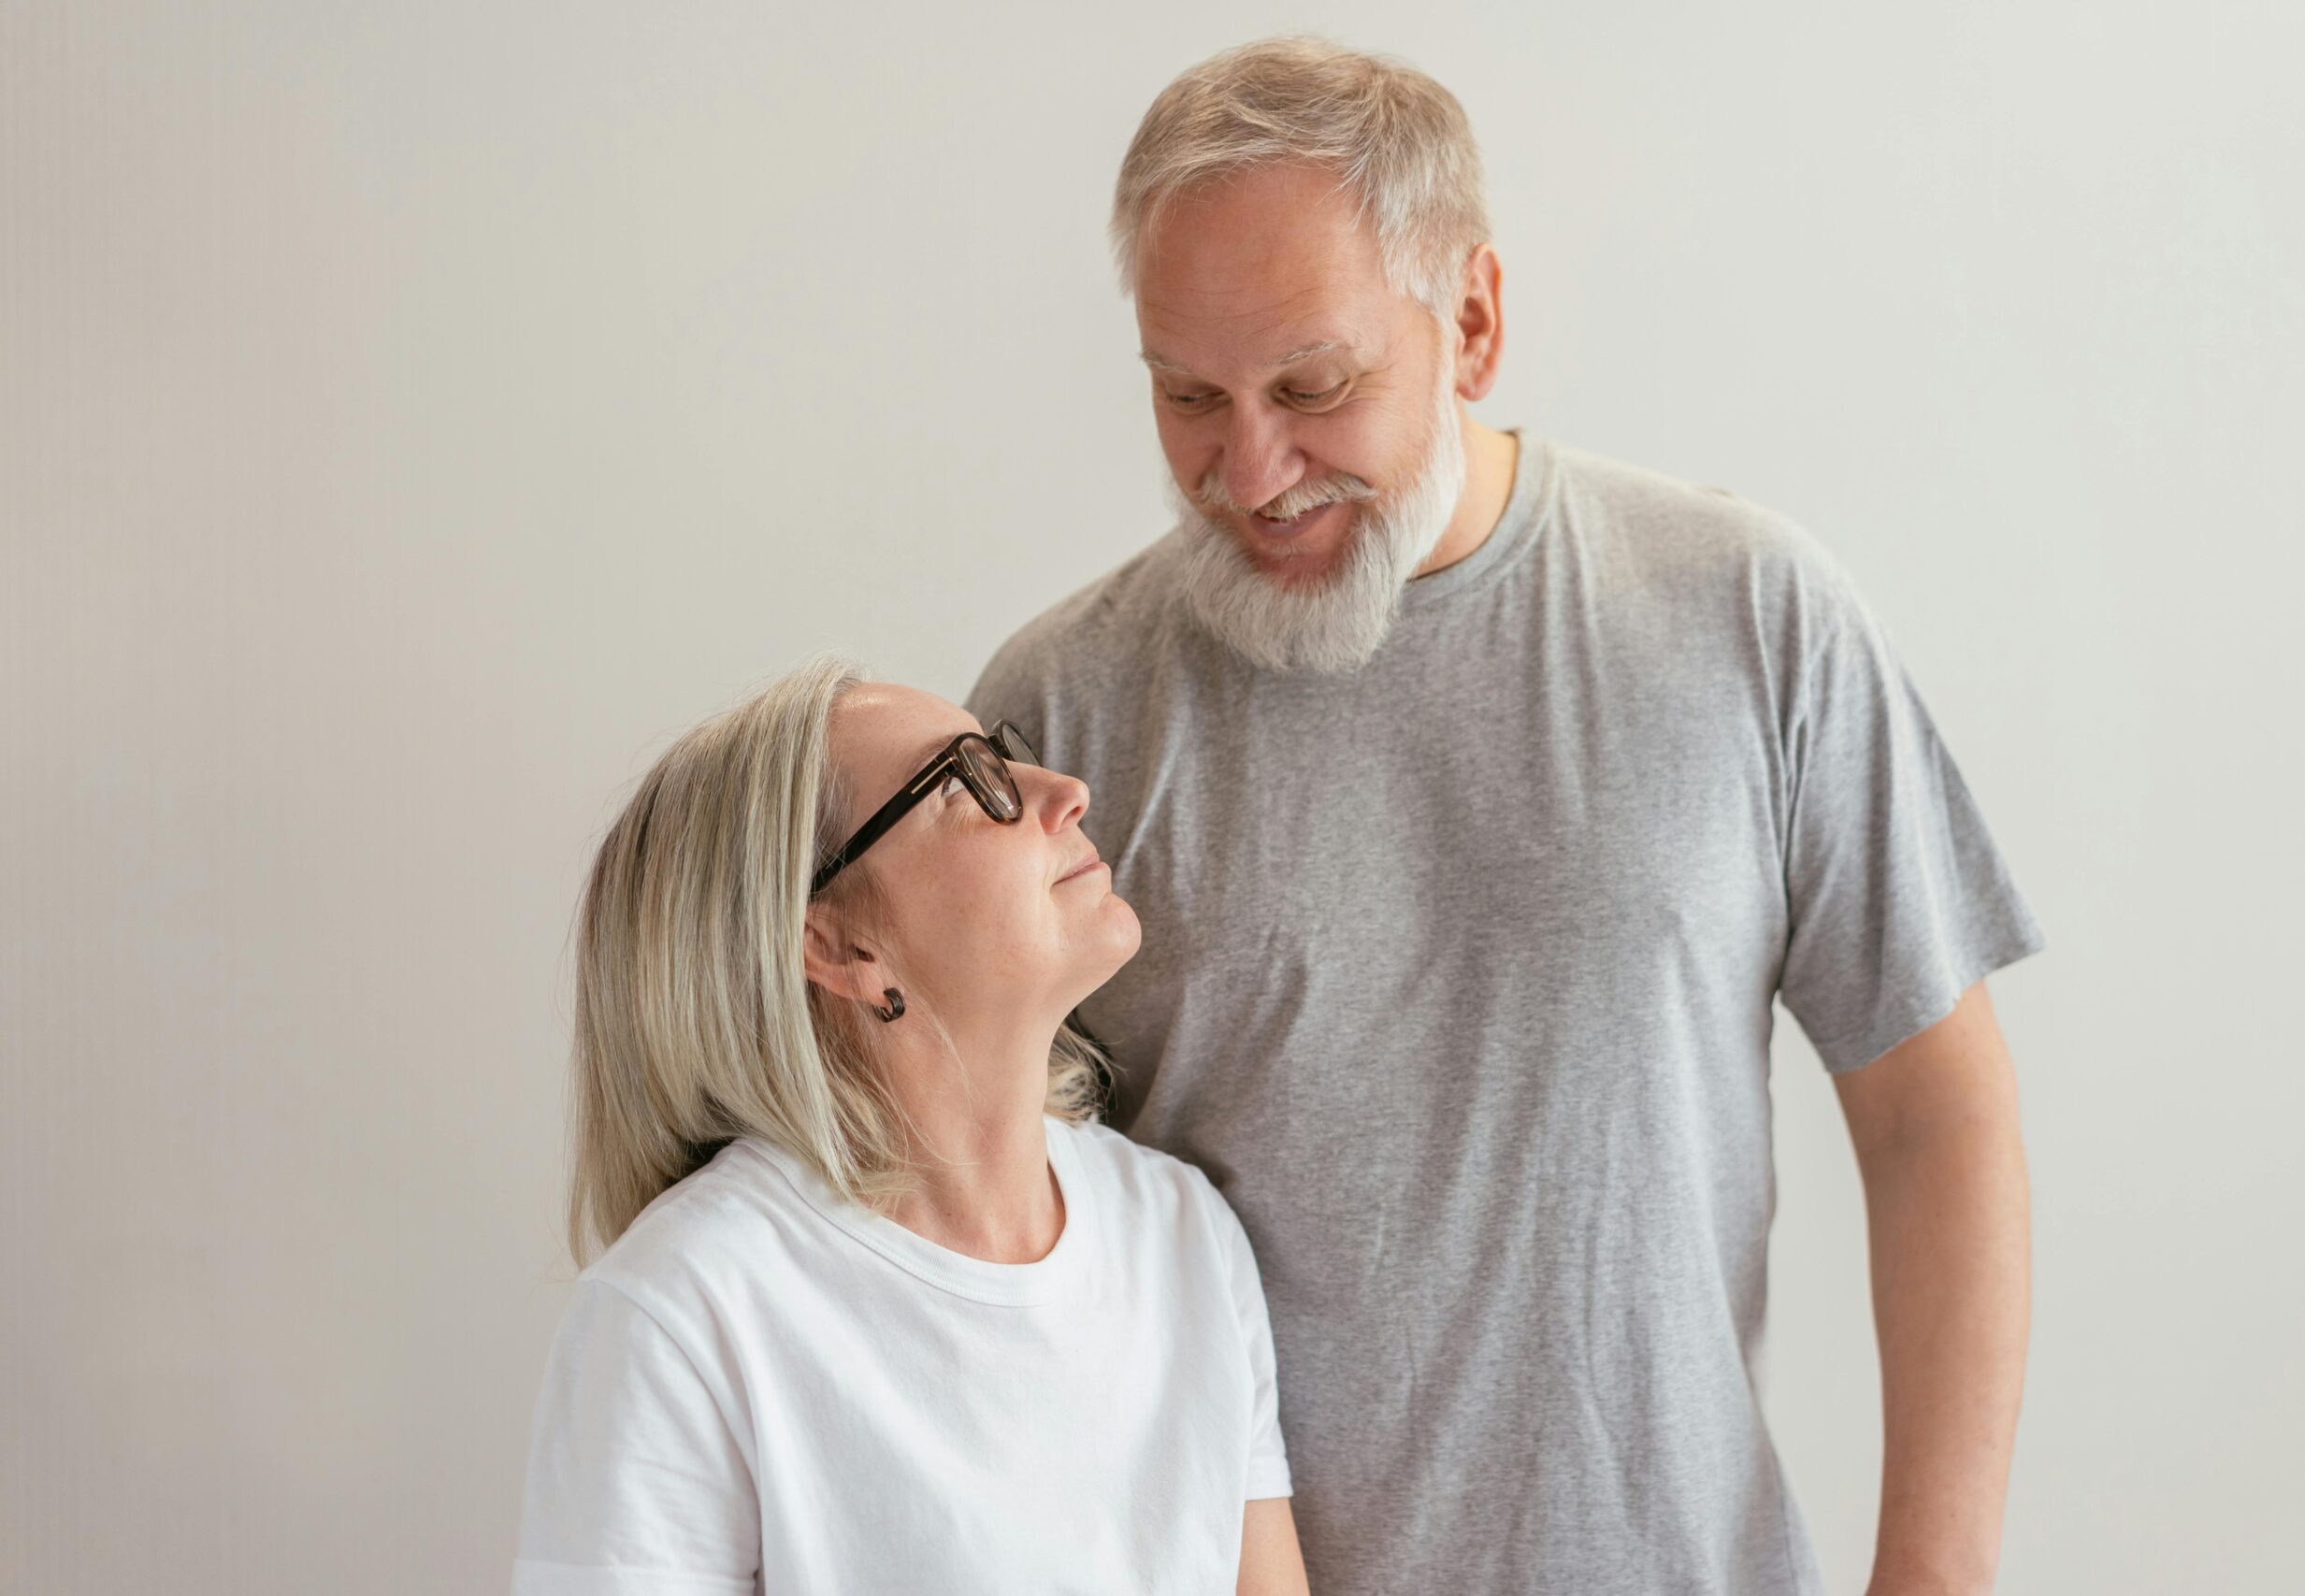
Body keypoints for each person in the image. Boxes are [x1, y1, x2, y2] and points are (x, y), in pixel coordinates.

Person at [967, 36, 2044, 1596]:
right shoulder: (1060, 714)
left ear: (1470, 319)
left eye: (1314, 387)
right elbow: (973, 1226)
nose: (1248, 468)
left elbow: (1938, 1113)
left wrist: (1935, 1580)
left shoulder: (1745, 613)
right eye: (1187, 396)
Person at [510, 658, 1310, 1594]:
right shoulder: (687, 1313)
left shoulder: (1184, 1237)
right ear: (839, 945)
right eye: (967, 782)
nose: (1065, 794)